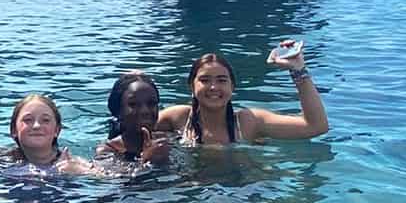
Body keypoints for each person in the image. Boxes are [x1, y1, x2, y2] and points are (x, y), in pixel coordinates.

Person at [156, 45, 329, 146]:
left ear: (233, 87)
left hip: (243, 190)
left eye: (222, 80)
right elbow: (130, 126)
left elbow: (316, 127)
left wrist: (297, 69)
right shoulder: (178, 118)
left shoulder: (249, 122)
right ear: (191, 87)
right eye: (205, 80)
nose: (213, 87)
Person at [3, 93, 101, 174]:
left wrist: (84, 172)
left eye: (45, 120)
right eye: (28, 120)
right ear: (14, 130)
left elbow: (109, 180)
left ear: (56, 130)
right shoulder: (0, 161)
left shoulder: (75, 164)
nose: (36, 126)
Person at [97, 70, 172, 166]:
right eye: (133, 104)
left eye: (151, 103)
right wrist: (146, 161)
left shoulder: (165, 141)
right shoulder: (108, 151)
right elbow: (112, 178)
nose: (145, 111)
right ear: (118, 112)